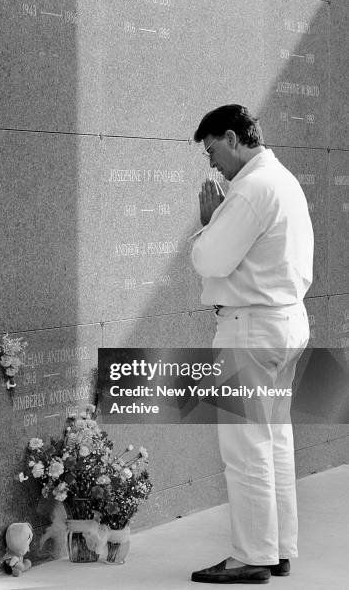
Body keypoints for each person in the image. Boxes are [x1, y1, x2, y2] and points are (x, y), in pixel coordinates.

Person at [189, 104, 314, 584]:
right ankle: (277, 548)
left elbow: (210, 259)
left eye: (213, 149)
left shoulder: (251, 189)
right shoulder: (283, 180)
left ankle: (251, 556)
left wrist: (209, 220)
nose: (211, 162)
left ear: (233, 138)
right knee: (274, 439)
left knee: (245, 449)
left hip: (250, 329)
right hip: (283, 326)